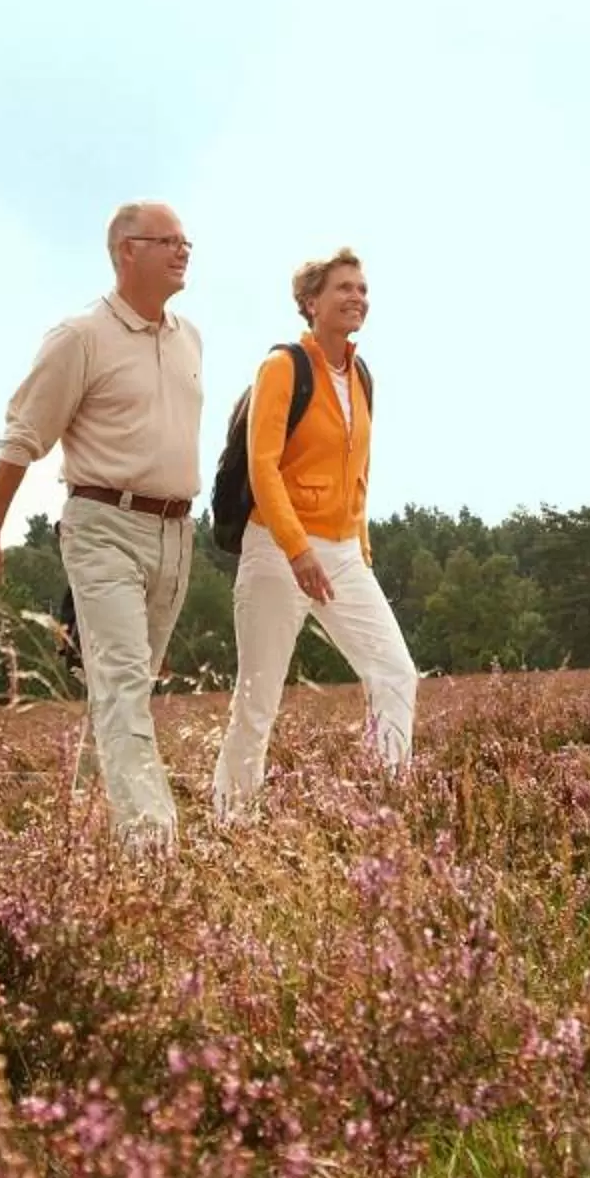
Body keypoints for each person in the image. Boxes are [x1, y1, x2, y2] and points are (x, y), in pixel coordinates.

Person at [0, 202, 207, 849]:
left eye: (187, 242)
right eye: (168, 241)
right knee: (123, 686)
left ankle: (84, 837)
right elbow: (21, 439)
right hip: (103, 527)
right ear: (127, 251)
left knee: (124, 693)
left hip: (177, 535)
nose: (184, 251)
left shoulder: (189, 339)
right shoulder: (80, 337)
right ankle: (154, 846)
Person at [211, 248, 418, 818]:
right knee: (258, 701)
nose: (357, 297)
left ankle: (387, 807)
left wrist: (361, 547)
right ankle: (231, 822)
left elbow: (359, 471)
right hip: (277, 550)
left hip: (345, 552)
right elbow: (262, 466)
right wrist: (297, 548)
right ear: (310, 303)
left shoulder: (361, 376)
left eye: (363, 289)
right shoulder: (282, 368)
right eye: (343, 288)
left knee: (395, 673)